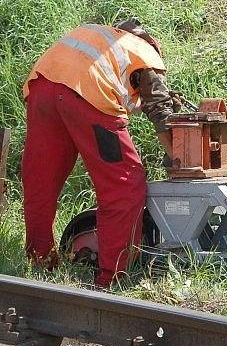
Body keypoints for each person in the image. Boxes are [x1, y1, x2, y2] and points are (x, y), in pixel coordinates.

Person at [21, 19, 184, 288]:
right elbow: (161, 113)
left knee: (40, 182)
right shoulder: (143, 52)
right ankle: (112, 278)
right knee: (124, 184)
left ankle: (41, 262)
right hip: (87, 96)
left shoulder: (96, 36)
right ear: (152, 43)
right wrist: (176, 158)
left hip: (42, 88)